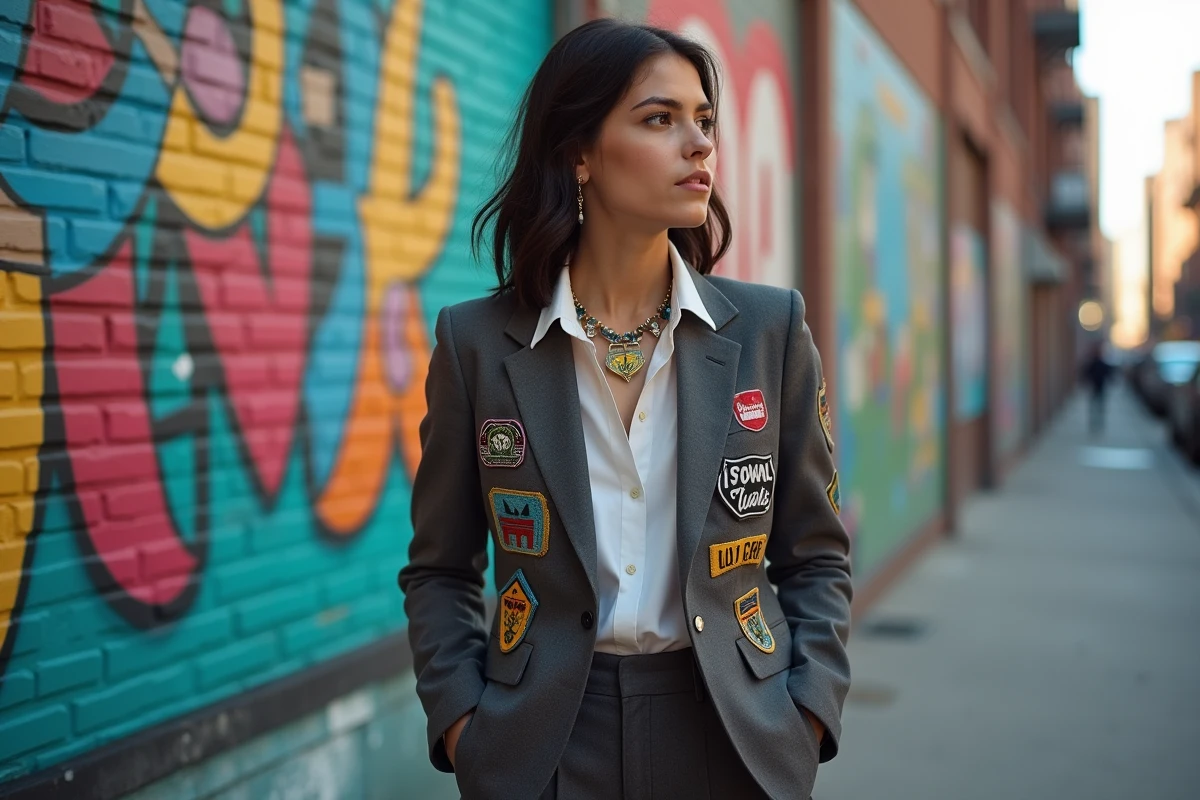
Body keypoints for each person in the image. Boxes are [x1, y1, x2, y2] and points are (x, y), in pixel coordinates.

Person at [398, 18, 852, 800]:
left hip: (734, 734)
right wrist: (464, 726)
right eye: (659, 119)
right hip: (542, 745)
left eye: (704, 120)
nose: (700, 144)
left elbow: (816, 554)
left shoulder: (769, 330)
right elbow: (440, 568)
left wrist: (808, 713)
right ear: (580, 153)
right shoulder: (475, 345)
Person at [1081, 341, 1114, 434]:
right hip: (1097, 388)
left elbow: (1109, 375)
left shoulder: (1097, 364)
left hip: (1098, 388)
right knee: (1097, 407)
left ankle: (1096, 424)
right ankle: (1096, 424)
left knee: (1097, 407)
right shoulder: (1095, 363)